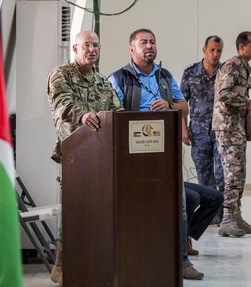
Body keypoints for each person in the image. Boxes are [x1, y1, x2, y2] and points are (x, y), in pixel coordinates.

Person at [109, 28, 222, 280]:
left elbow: (183, 106)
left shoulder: (164, 76)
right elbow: (112, 114)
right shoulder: (118, 78)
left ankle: (181, 261)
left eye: (152, 42)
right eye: (143, 43)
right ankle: (143, 255)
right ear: (131, 49)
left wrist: (169, 105)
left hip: (166, 157)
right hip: (133, 160)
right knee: (158, 206)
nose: (149, 46)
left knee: (184, 205)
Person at [46, 30, 123, 286]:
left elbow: (117, 111)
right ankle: (61, 265)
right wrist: (82, 116)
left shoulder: (102, 81)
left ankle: (94, 262)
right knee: (74, 209)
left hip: (103, 156)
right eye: (87, 45)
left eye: (96, 46)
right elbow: (61, 103)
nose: (92, 50)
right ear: (75, 49)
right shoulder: (61, 75)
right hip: (75, 155)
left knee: (100, 211)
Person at [213, 31, 251, 237]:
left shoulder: (244, 67)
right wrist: (247, 102)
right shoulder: (232, 65)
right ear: (242, 47)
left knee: (239, 173)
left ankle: (236, 216)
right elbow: (223, 94)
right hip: (227, 127)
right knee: (232, 173)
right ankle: (226, 220)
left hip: (237, 127)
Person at [180, 36, 225, 226]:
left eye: (219, 51)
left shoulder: (226, 72)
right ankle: (209, 215)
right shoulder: (191, 73)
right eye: (212, 50)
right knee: (204, 174)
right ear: (204, 50)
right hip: (198, 132)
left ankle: (222, 215)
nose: (215, 54)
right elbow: (181, 103)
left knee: (222, 175)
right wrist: (183, 129)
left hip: (221, 131)